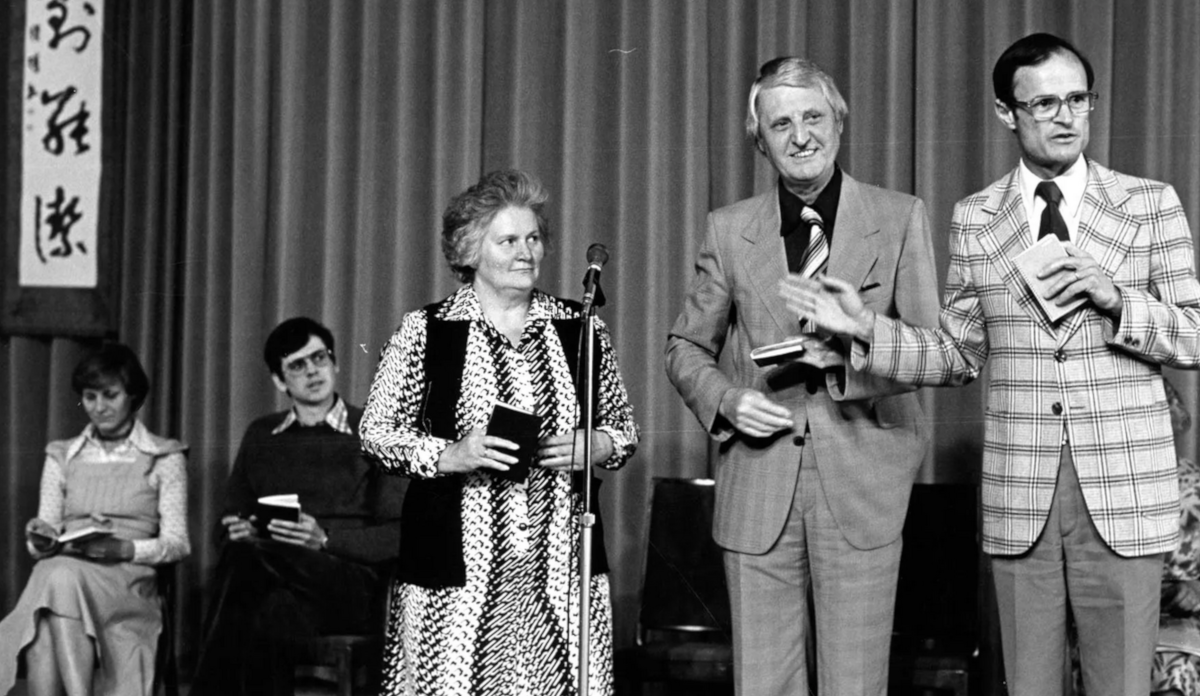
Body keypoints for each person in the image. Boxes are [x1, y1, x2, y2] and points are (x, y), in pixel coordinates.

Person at [783, 33, 1200, 696]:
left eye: (1078, 100)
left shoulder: (1149, 204)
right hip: (1022, 495)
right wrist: (866, 328)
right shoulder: (977, 218)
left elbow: (1193, 336)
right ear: (1008, 113)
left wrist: (1117, 298)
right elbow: (956, 350)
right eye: (1045, 105)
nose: (1067, 117)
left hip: (1124, 493)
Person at [664, 57, 940, 695]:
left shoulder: (900, 217)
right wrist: (727, 400)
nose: (800, 136)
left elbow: (934, 351)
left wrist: (850, 359)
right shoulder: (730, 231)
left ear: (838, 122)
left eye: (813, 117)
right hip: (759, 482)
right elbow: (685, 346)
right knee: (763, 684)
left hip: (864, 481)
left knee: (855, 684)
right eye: (780, 123)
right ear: (760, 140)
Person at [360, 169, 639, 696]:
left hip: (559, 568)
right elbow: (376, 432)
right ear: (469, 251)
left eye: (533, 239)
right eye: (508, 240)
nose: (526, 252)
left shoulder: (580, 328)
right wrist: (449, 454)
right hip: (455, 573)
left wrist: (598, 444)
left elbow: (624, 430)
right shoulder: (427, 330)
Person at [190, 317, 405, 696]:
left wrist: (324, 538)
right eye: (297, 365)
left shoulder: (376, 432)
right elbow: (226, 524)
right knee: (273, 610)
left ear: (335, 362)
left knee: (247, 566)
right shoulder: (261, 434)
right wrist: (235, 528)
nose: (312, 372)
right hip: (278, 581)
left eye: (319, 358)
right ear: (279, 380)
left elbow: (398, 535)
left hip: (350, 583)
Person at [0, 343, 190, 696]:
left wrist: (124, 549)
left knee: (49, 603)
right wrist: (40, 537)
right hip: (68, 566)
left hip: (126, 580)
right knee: (56, 579)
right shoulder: (61, 455)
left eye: (110, 395)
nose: (99, 407)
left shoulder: (164, 456)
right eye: (90, 397)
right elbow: (46, 535)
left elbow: (178, 543)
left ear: (132, 395)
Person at [1153, 378, 1200, 696]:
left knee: (1177, 674)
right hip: (1107, 626)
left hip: (1184, 633)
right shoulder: (1095, 494)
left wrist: (1194, 590)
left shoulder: (1194, 487)